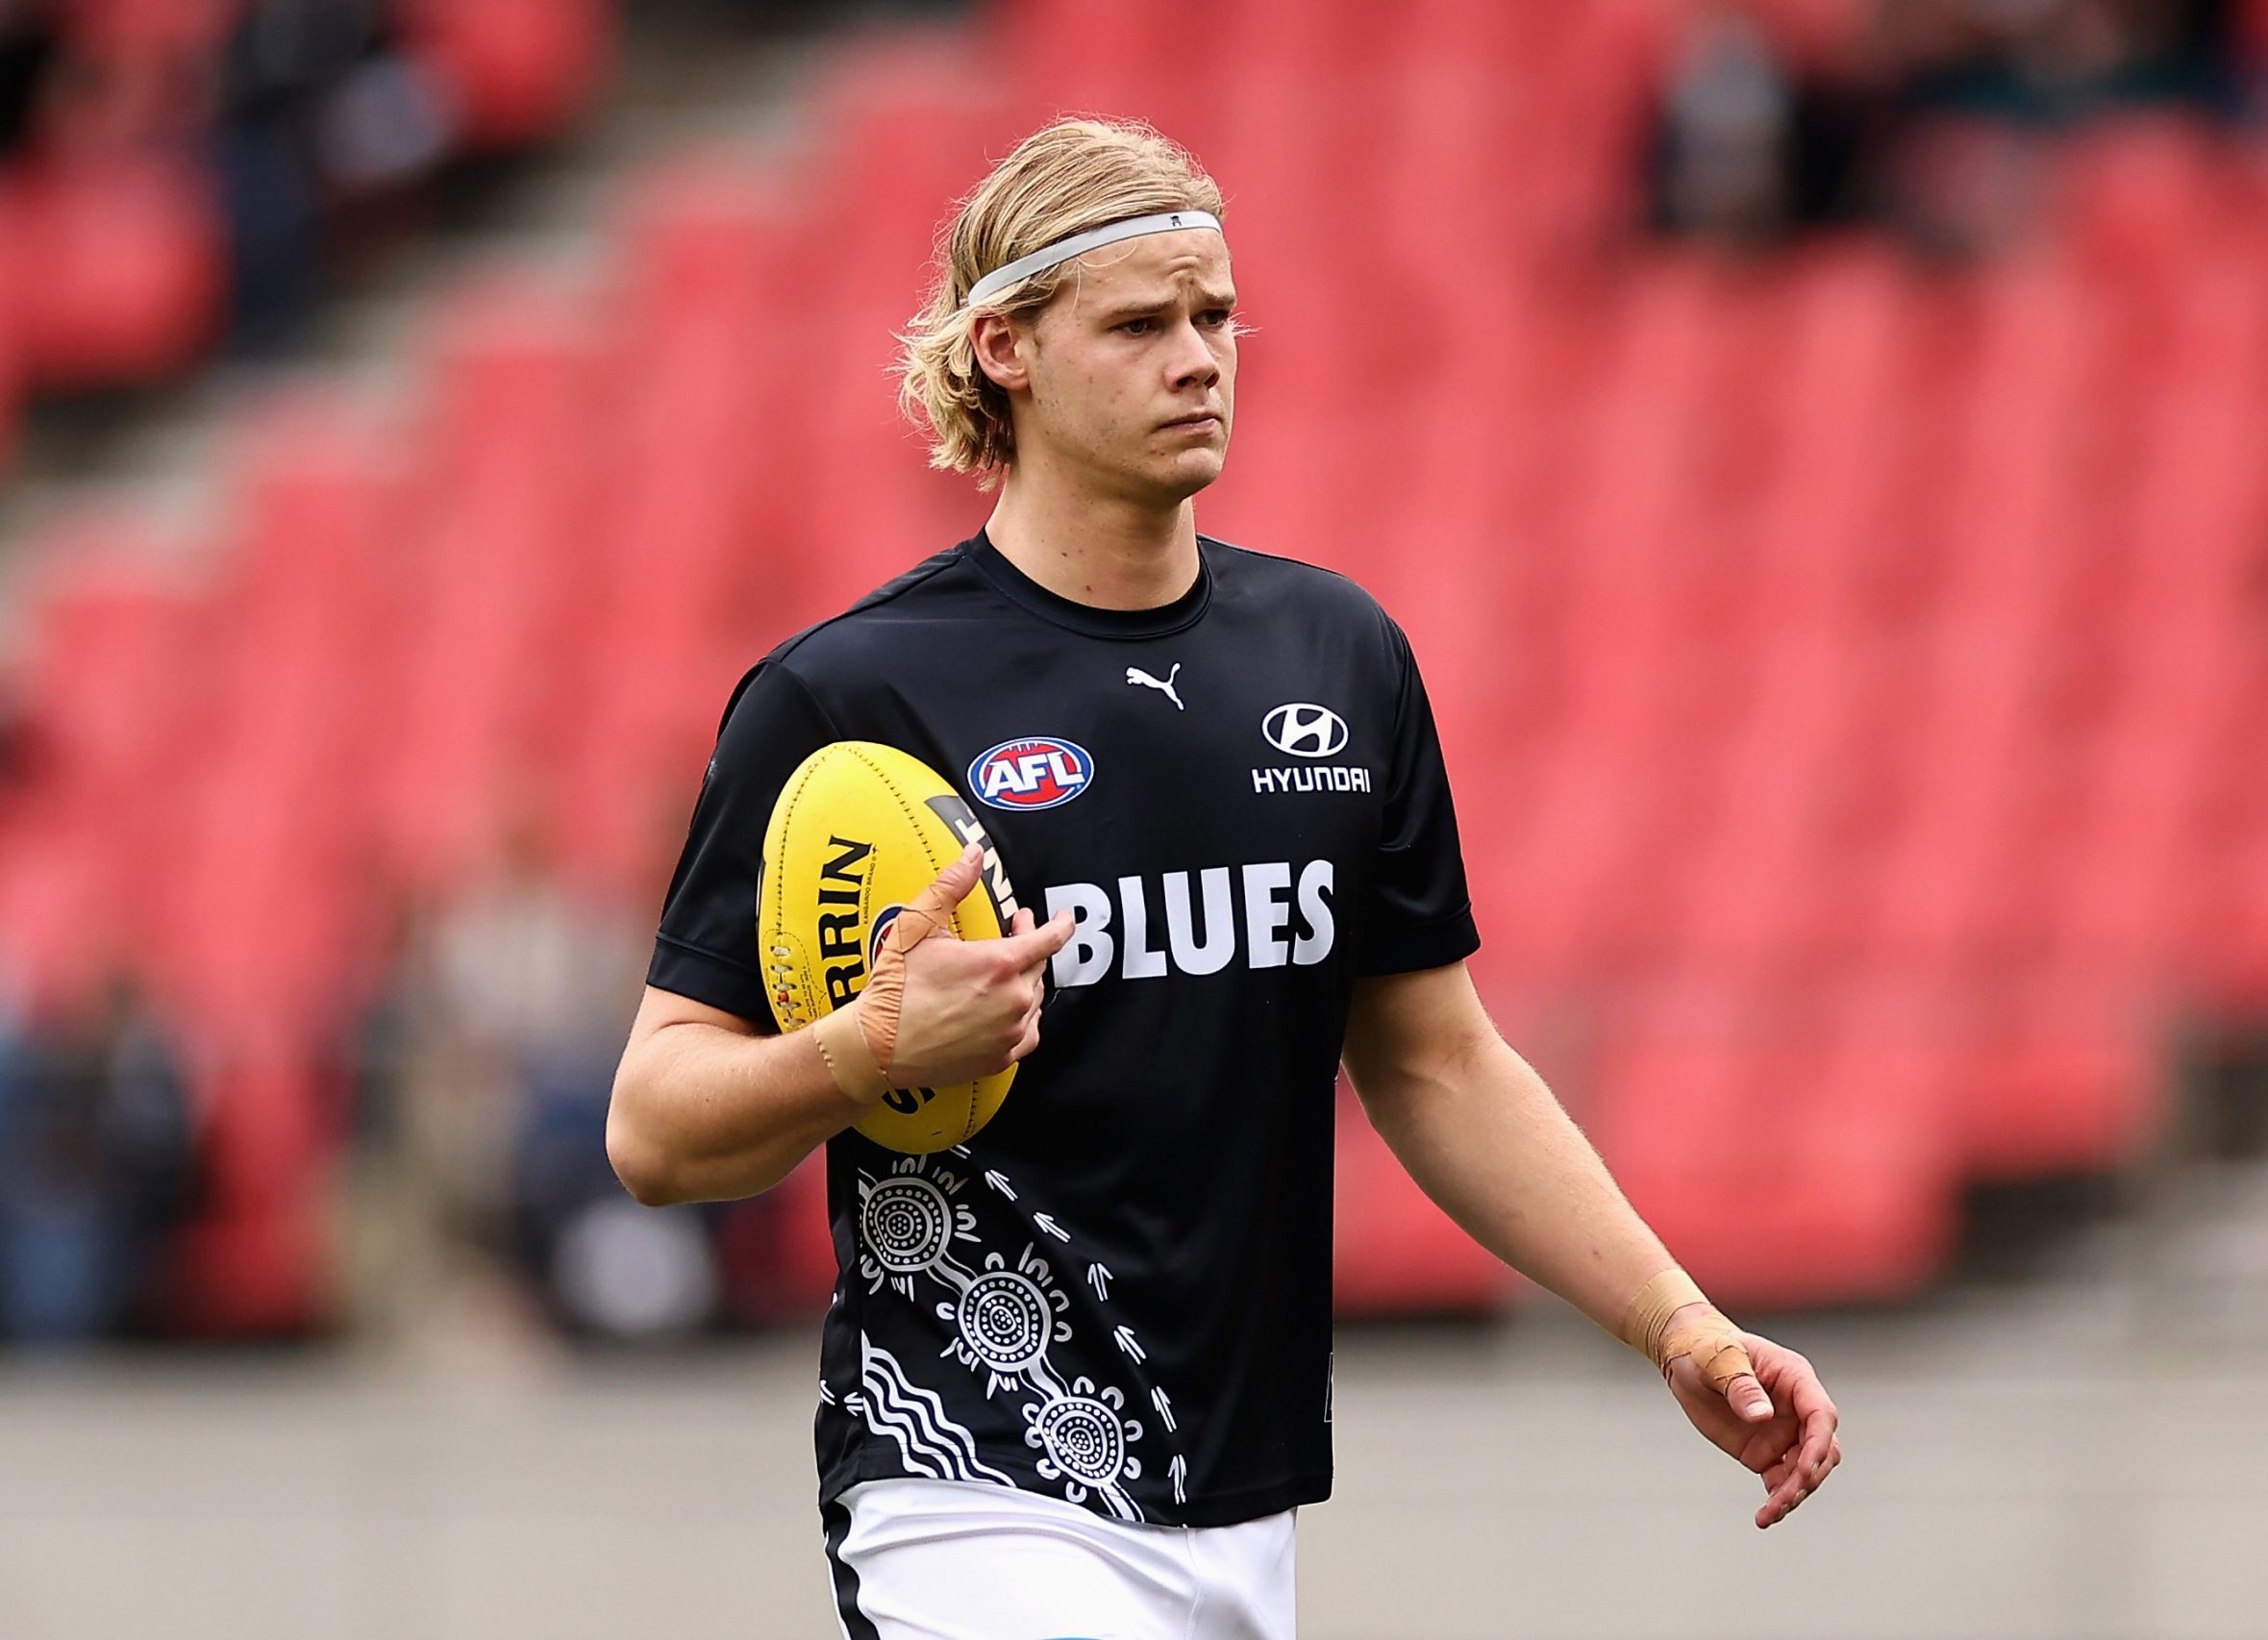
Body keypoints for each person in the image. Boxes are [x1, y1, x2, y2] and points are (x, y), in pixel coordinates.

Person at [608, 116, 1842, 1639]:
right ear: (1005, 347)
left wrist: (1677, 1324)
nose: (1199, 358)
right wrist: (867, 1048)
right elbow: (654, 1128)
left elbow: (1437, 1061)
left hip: (1247, 1502)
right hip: (973, 1475)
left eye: (1215, 316)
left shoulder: (1339, 657)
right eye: (1139, 323)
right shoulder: (850, 695)